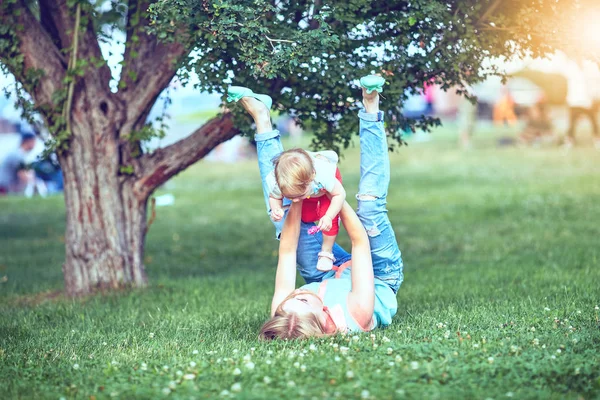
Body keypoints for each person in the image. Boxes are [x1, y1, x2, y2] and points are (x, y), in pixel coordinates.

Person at [227, 75, 404, 339]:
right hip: (378, 273)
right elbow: (360, 242)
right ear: (323, 318)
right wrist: (334, 196)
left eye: (292, 298)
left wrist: (296, 201)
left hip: (327, 269)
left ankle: (262, 119)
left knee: (281, 214)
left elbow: (287, 251)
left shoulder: (286, 315)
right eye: (304, 300)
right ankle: (371, 106)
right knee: (369, 207)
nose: (298, 292)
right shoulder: (357, 312)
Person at [265, 148, 346, 272]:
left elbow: (339, 194)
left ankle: (326, 252)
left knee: (328, 218)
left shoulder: (324, 175)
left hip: (327, 189)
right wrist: (276, 208)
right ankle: (312, 203)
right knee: (307, 217)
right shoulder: (278, 183)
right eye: (291, 197)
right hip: (311, 190)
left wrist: (329, 216)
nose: (296, 201)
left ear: (311, 177)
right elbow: (274, 197)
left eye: (298, 196)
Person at [563, 57, 599, 148]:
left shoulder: (590, 67)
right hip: (574, 101)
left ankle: (597, 140)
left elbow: (594, 82)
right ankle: (569, 141)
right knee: (572, 123)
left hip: (587, 100)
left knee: (593, 121)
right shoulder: (571, 67)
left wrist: (594, 96)